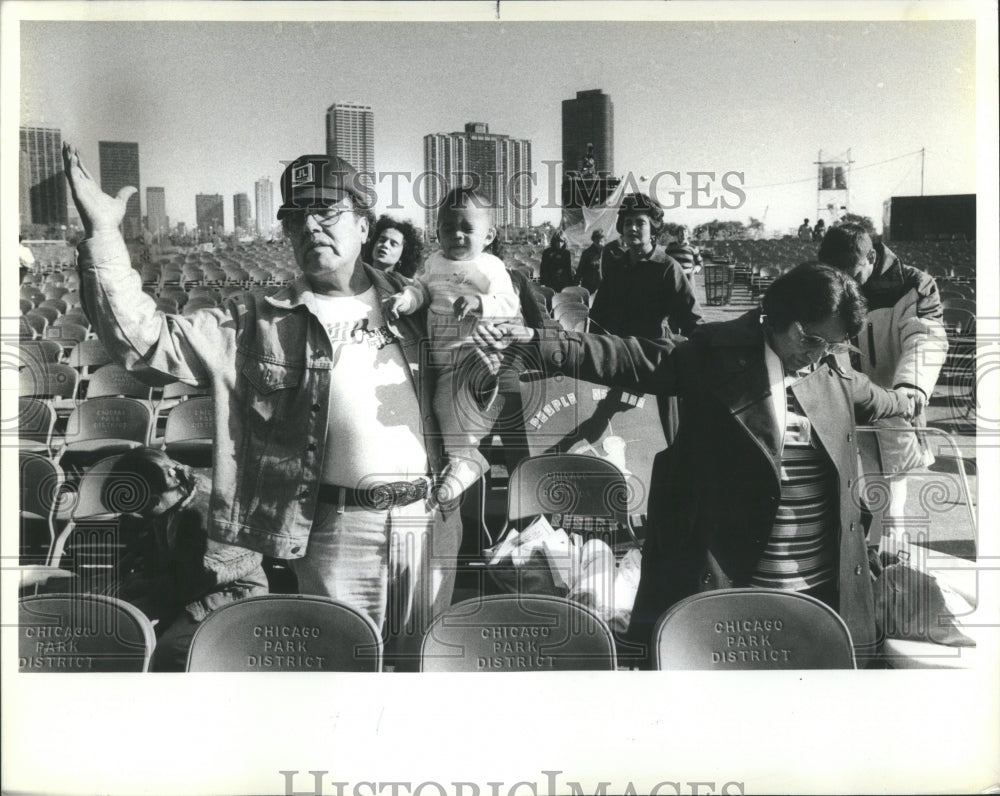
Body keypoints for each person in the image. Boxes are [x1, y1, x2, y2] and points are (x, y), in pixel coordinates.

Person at [64, 145, 464, 668]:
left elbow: (482, 374)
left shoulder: (419, 304)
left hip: (428, 518)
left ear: (365, 226)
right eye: (296, 217)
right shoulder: (258, 321)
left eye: (327, 211)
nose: (310, 226)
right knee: (342, 679)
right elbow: (146, 342)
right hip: (335, 530)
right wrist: (104, 235)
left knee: (422, 677)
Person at [481, 264, 916, 664]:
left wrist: (908, 398)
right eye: (810, 340)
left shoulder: (829, 368)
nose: (818, 354)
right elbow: (629, 357)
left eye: (832, 344)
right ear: (779, 318)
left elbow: (874, 399)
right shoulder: (715, 354)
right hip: (736, 579)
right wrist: (540, 341)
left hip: (821, 585)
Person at [818, 223, 947, 557]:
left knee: (892, 500)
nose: (845, 285)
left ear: (872, 256)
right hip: (850, 404)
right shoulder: (830, 284)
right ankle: (868, 569)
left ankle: (890, 568)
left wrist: (910, 388)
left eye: (853, 274)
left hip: (897, 402)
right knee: (861, 491)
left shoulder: (915, 285)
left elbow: (925, 338)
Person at [386, 187, 522, 504]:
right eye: (449, 228)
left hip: (477, 350)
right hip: (444, 359)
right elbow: (420, 290)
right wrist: (405, 300)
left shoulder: (490, 266)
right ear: (437, 232)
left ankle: (466, 461)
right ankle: (465, 458)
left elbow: (508, 304)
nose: (457, 235)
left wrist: (480, 302)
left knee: (461, 405)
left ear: (489, 235)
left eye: (467, 228)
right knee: (441, 407)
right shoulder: (434, 263)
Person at [105, 448, 268, 671]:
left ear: (152, 500)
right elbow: (152, 551)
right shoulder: (171, 505)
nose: (135, 516)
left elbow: (193, 580)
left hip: (233, 593)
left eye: (136, 509)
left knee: (172, 649)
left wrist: (140, 592)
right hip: (188, 589)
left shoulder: (201, 514)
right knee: (118, 623)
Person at [589, 192, 703, 442]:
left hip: (657, 367)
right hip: (618, 365)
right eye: (627, 223)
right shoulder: (615, 268)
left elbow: (692, 320)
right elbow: (597, 320)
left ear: (653, 227)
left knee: (661, 440)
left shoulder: (667, 267)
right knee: (618, 441)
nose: (632, 228)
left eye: (639, 222)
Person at [576, 229, 606, 294]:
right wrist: (576, 284)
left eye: (602, 241)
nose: (600, 244)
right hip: (589, 286)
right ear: (594, 241)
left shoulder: (607, 252)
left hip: (603, 286)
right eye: (597, 242)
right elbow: (580, 270)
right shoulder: (586, 253)